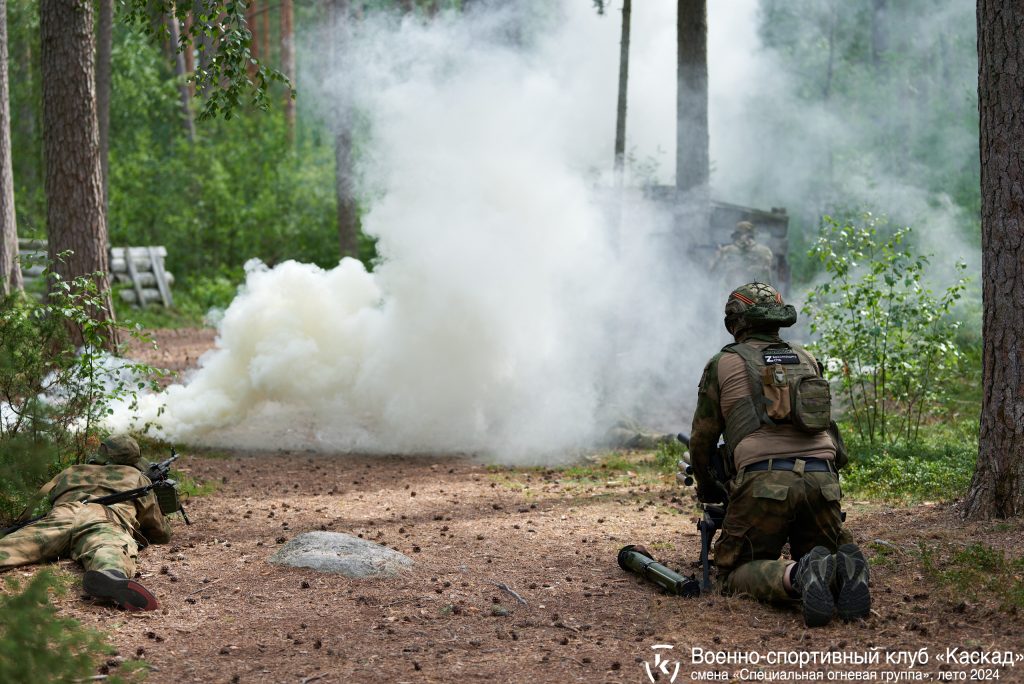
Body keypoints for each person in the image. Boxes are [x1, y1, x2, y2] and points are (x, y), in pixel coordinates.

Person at [687, 282, 870, 627]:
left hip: (764, 482)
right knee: (823, 555)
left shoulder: (722, 363)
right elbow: (831, 434)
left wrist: (709, 486)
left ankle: (798, 576)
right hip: (823, 481)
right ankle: (844, 572)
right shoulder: (806, 358)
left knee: (732, 573)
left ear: (735, 323)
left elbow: (702, 440)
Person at [0, 435, 173, 611]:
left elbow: (42, 498)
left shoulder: (71, 471)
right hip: (103, 518)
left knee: (19, 543)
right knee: (109, 547)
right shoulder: (137, 477)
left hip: (63, 513)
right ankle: (110, 574)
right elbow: (158, 530)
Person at [711, 221, 774, 287]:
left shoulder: (726, 250)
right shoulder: (765, 251)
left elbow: (713, 273)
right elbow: (768, 274)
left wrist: (718, 256)